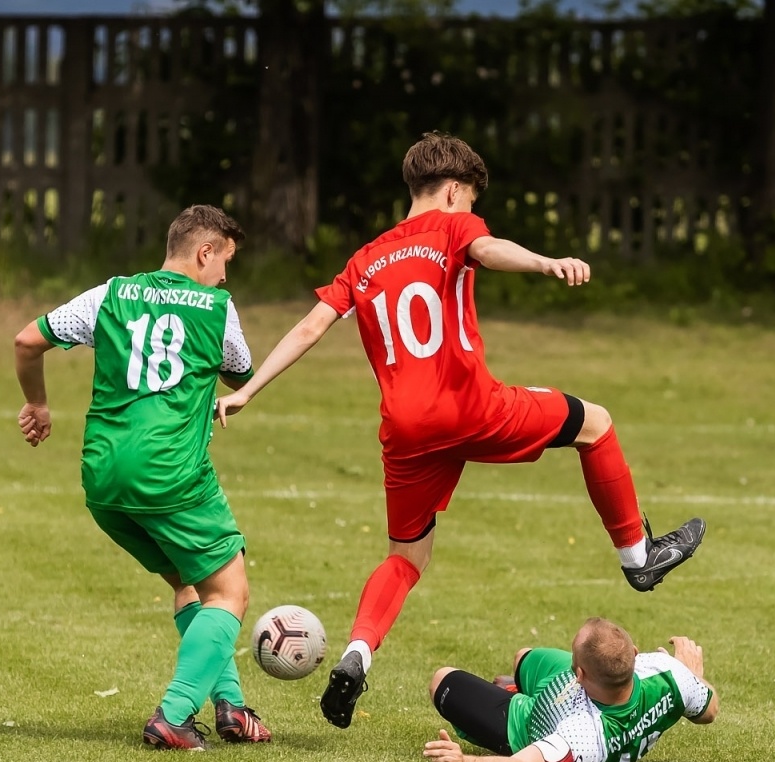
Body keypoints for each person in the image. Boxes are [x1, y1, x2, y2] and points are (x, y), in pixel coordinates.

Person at [215, 132, 705, 728]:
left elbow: (309, 328)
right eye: (470, 201)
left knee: (407, 556)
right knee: (594, 423)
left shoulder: (365, 258)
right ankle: (639, 558)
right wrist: (544, 262)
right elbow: (491, 249)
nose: (472, 214)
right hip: (472, 409)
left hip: (405, 431)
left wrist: (245, 390)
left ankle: (356, 655)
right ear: (452, 192)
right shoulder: (454, 229)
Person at [13, 205, 270, 750]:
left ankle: (229, 707)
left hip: (104, 479)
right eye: (225, 260)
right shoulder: (217, 307)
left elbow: (26, 341)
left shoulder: (110, 293)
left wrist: (37, 403)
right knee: (230, 591)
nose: (225, 275)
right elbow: (241, 372)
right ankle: (173, 716)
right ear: (205, 252)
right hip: (170, 475)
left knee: (188, 582)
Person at [422, 618, 717, 762]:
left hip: (531, 720)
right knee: (523, 657)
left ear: (578, 673)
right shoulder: (668, 673)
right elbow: (709, 711)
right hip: (587, 688)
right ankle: (518, 681)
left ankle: (512, 695)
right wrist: (691, 677)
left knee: (442, 679)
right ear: (636, 654)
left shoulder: (582, 734)